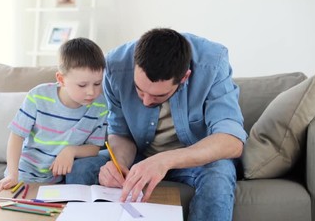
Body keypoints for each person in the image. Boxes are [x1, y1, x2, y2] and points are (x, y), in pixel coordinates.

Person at [66, 28, 247, 220]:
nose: (145, 101)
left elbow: (232, 141)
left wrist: (165, 160)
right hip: (139, 157)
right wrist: (118, 165)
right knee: (82, 168)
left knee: (218, 175)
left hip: (194, 160)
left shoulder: (213, 63)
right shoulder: (115, 66)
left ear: (184, 77)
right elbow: (121, 133)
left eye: (158, 95)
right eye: (140, 90)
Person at [0, 37, 108, 193]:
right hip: (23, 176)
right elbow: (17, 136)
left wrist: (71, 150)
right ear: (61, 79)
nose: (92, 92)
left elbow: (94, 148)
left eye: (97, 83)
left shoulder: (100, 105)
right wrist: (12, 174)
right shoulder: (38, 96)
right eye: (82, 85)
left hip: (58, 183)